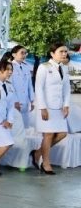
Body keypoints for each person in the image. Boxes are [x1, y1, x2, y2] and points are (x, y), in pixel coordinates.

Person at [31, 42, 71, 175]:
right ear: (52, 54)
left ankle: (38, 153)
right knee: (48, 135)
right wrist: (42, 107)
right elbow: (38, 88)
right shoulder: (44, 67)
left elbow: (66, 88)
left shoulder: (64, 68)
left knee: (62, 134)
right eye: (61, 51)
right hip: (46, 107)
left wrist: (66, 105)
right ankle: (46, 163)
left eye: (65, 51)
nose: (64, 54)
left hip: (59, 108)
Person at [8, 45, 35, 128]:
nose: (24, 55)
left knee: (25, 125)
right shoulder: (9, 67)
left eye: (25, 53)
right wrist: (15, 101)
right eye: (22, 53)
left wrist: (32, 100)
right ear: (14, 54)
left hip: (25, 101)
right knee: (16, 127)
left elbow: (29, 85)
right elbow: (9, 86)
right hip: (14, 101)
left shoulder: (26, 66)